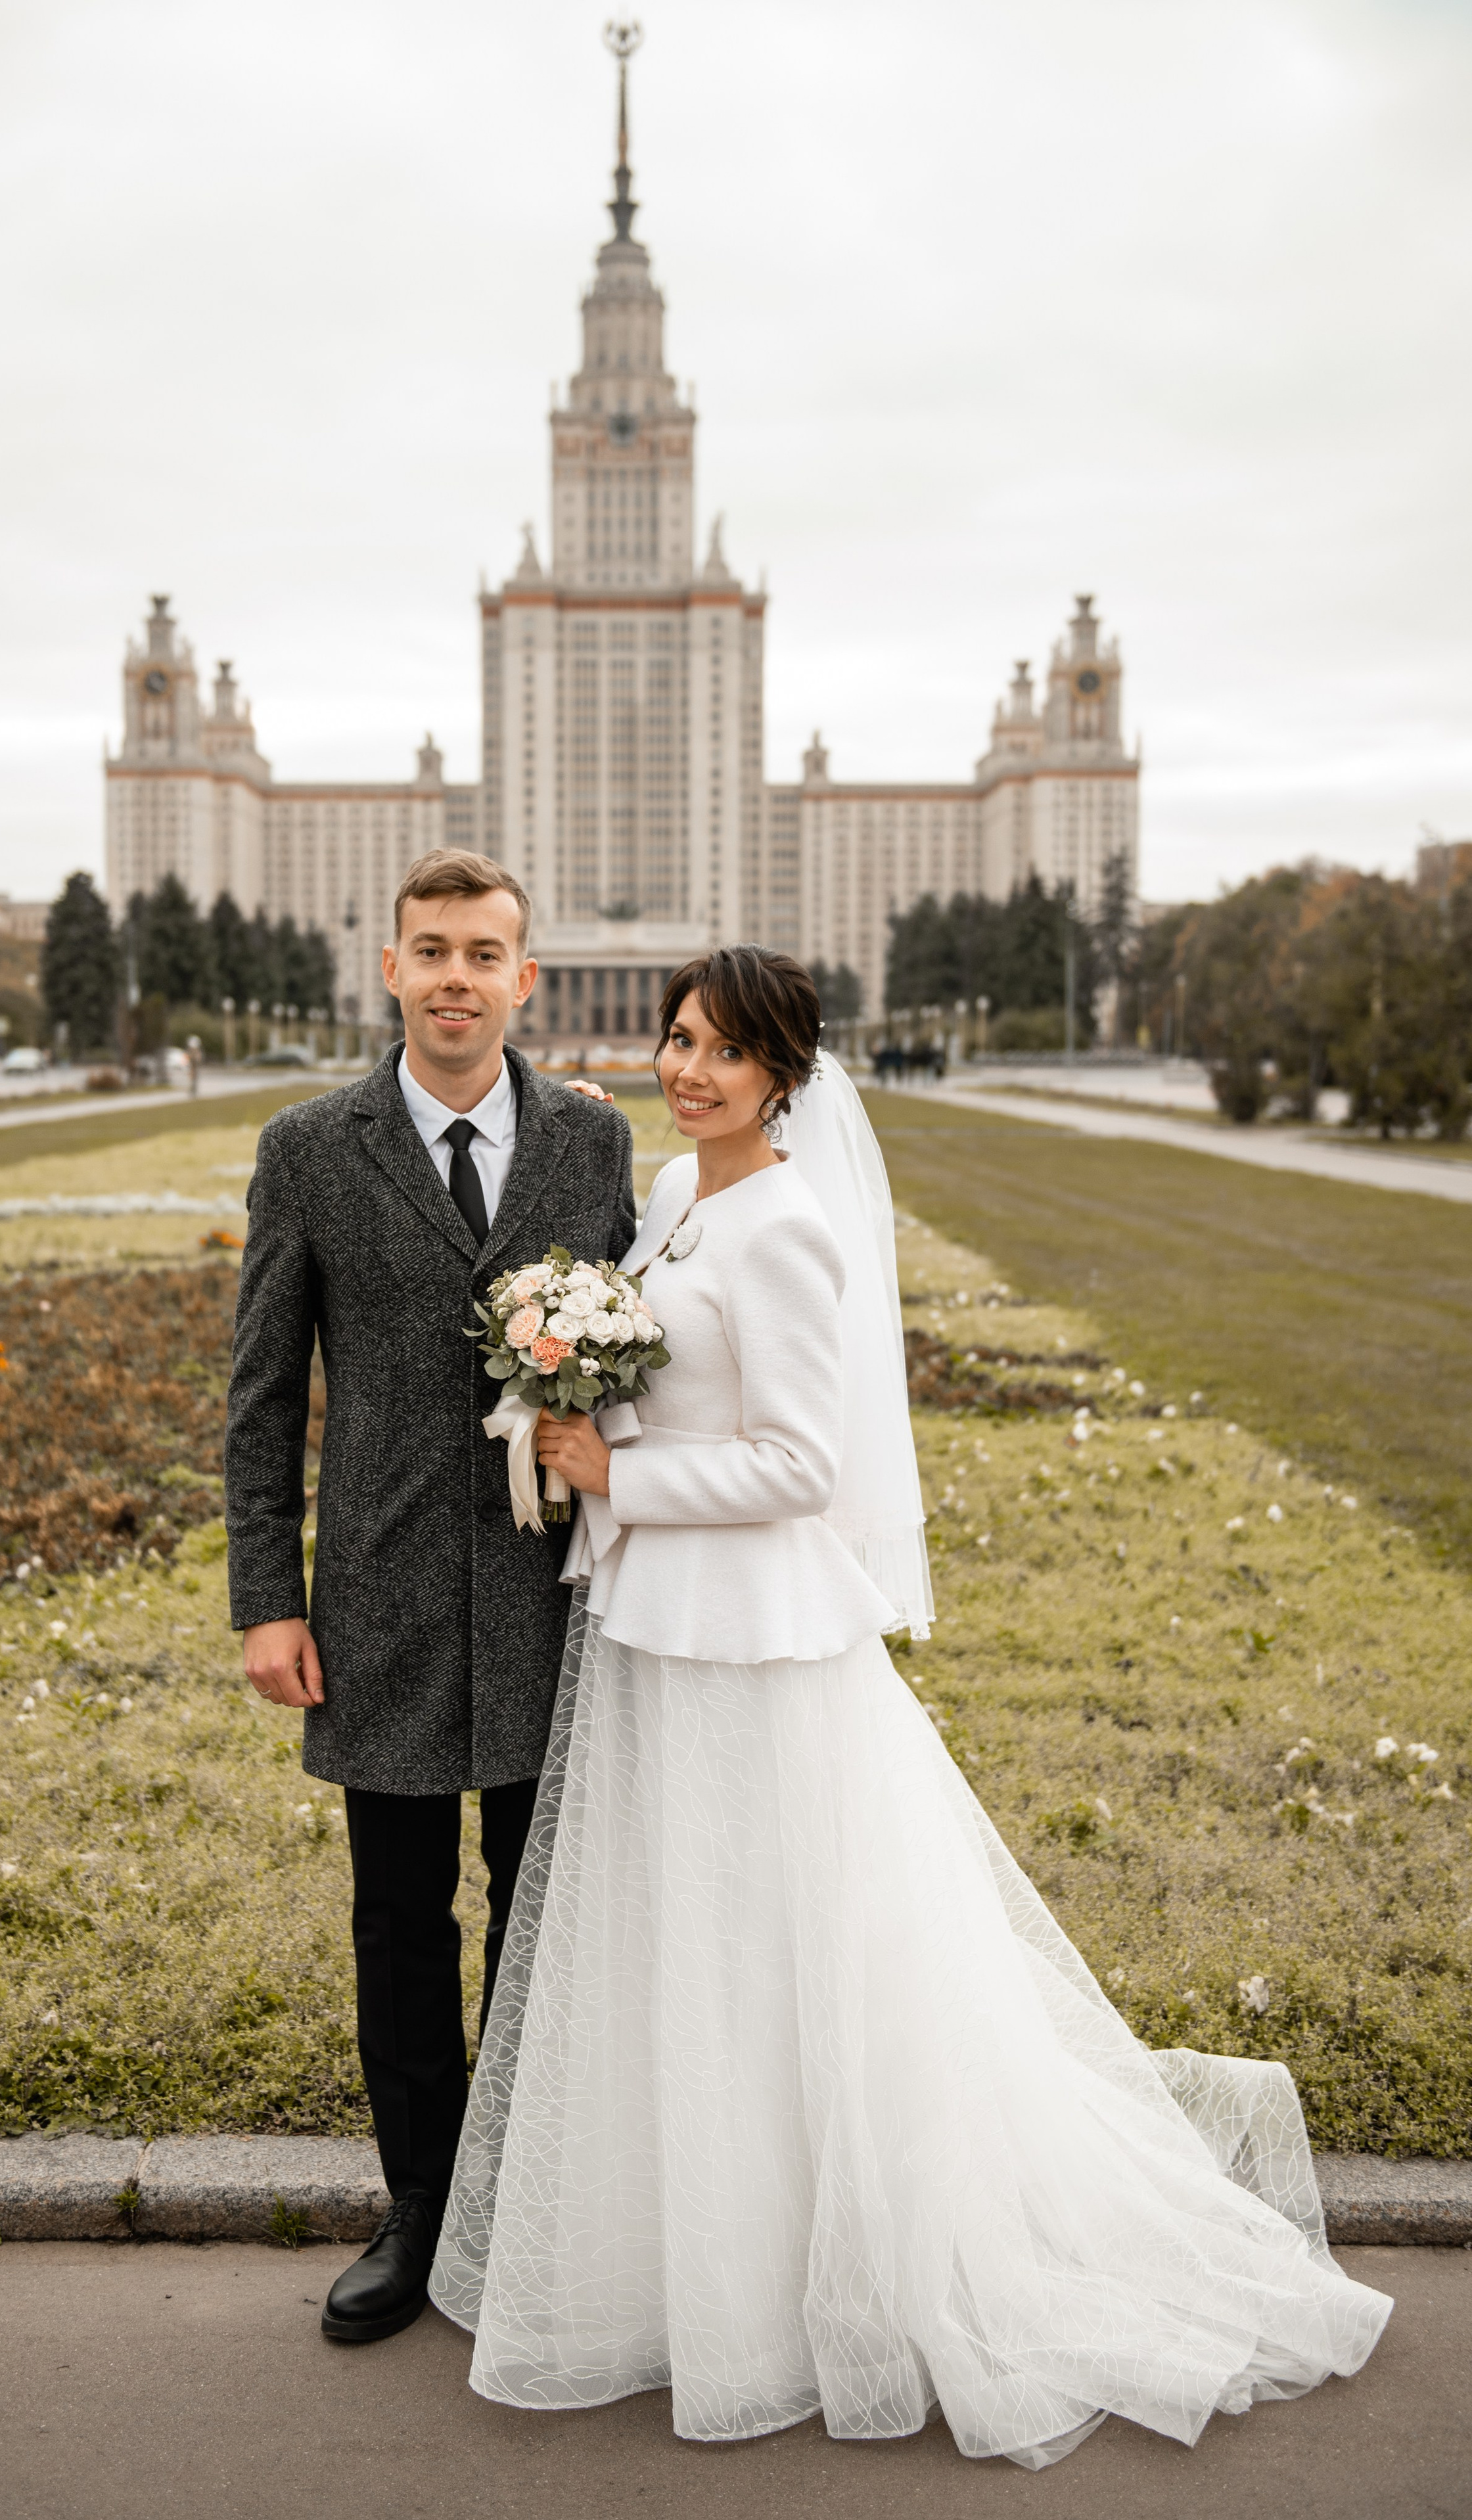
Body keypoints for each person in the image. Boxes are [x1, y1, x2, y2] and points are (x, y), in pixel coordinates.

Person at [429, 944, 1391, 2469]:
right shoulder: (678, 1200)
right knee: (685, 1950)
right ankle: (698, 2266)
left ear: (783, 1079)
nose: (688, 1071)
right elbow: (644, 1331)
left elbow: (804, 1467)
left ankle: (829, 2276)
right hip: (651, 1630)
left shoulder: (791, 1231)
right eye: (678, 1040)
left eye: (722, 1054)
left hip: (754, 1639)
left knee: (779, 1951)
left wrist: (621, 1474)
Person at [223, 848, 635, 2347]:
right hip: (379, 1601)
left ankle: (528, 2208)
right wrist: (266, 1597)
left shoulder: (592, 1146)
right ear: (387, 970)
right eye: (430, 950)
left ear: (524, 978)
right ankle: (419, 2208)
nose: (456, 975)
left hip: (551, 1597)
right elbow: (263, 1393)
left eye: (484, 952)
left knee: (549, 1917)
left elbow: (638, 1359)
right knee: (400, 1922)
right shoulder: (309, 1148)